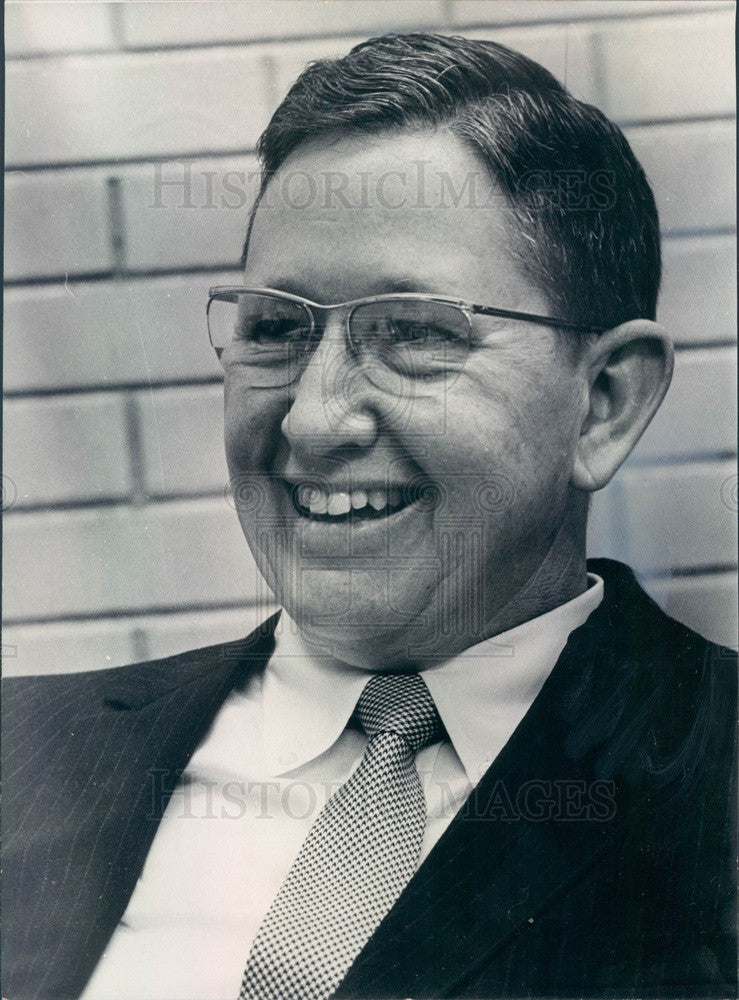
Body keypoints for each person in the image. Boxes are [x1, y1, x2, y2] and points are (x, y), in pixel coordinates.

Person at [3, 33, 735, 1000]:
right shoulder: (24, 753)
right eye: (274, 330)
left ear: (602, 403)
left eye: (413, 333)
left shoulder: (709, 780)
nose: (312, 419)